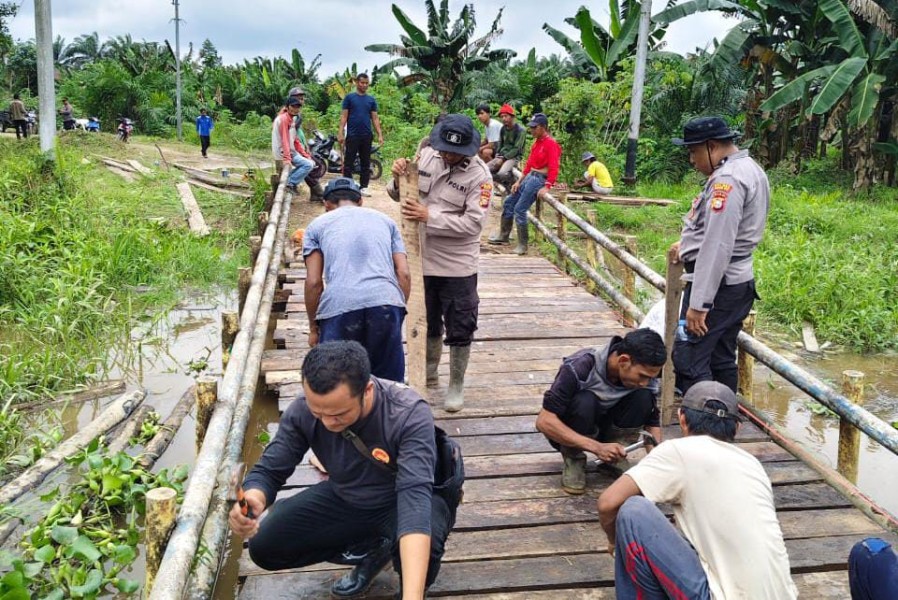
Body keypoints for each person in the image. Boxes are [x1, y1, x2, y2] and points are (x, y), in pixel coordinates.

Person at [230, 341, 456, 599]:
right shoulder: (303, 410)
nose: (327, 422)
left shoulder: (407, 414)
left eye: (339, 414)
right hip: (349, 496)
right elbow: (270, 470)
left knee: (423, 554)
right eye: (318, 412)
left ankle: (396, 553)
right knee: (265, 546)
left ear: (367, 390)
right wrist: (253, 498)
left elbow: (414, 502)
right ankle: (375, 549)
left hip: (403, 499)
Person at [598, 381, 798, 600]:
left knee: (633, 511)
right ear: (737, 428)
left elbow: (609, 503)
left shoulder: (678, 451)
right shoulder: (752, 465)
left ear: (682, 419)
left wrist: (613, 542)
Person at [387, 114, 491, 412]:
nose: (447, 155)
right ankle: (428, 372)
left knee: (460, 322)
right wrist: (397, 177)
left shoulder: (480, 177)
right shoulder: (427, 155)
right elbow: (399, 195)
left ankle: (456, 383)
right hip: (421, 255)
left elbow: (473, 223)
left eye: (454, 152)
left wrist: (429, 216)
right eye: (444, 148)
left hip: (457, 263)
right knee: (427, 316)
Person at [668, 116, 770, 395]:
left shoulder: (727, 179)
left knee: (689, 355)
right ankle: (724, 416)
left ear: (711, 146)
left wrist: (700, 303)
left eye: (693, 152)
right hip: (737, 284)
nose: (692, 160)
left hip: (718, 287)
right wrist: (686, 243)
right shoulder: (750, 169)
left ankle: (704, 424)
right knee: (721, 356)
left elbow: (718, 244)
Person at [303, 177, 410, 381]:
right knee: (388, 383)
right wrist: (397, 311)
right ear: (360, 200)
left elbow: (314, 282)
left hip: (339, 307)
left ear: (326, 204)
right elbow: (403, 273)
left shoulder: (316, 226)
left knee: (336, 381)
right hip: (386, 302)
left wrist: (313, 328)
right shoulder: (387, 221)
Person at [535, 329, 666, 495]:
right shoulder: (578, 369)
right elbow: (544, 421)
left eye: (650, 377)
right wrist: (597, 448)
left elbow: (652, 423)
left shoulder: (646, 379)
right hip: (576, 429)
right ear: (624, 361)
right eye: (642, 376)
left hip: (609, 426)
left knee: (643, 397)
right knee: (585, 401)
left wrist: (659, 464)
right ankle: (573, 458)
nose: (645, 382)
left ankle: (615, 456)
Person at [487, 112, 561, 255]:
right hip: (530, 177)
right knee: (509, 202)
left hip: (538, 179)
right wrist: (519, 181)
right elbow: (528, 164)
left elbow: (554, 166)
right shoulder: (536, 143)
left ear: (543, 127)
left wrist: (547, 186)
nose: (532, 130)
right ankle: (504, 235)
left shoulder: (551, 144)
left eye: (535, 127)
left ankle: (523, 245)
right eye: (531, 127)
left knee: (520, 209)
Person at [339, 73, 383, 197]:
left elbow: (375, 118)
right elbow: (344, 116)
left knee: (365, 162)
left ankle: (364, 187)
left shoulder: (371, 100)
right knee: (349, 162)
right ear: (357, 83)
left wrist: (380, 134)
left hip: (366, 135)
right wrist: (340, 133)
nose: (364, 85)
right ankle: (348, 186)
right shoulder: (349, 98)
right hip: (352, 135)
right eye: (362, 83)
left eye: (366, 83)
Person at [272, 96, 315, 194]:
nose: (296, 109)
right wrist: (287, 158)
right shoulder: (283, 119)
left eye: (298, 107)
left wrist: (305, 154)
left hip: (291, 151)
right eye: (293, 106)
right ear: (287, 107)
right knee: (308, 165)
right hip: (283, 152)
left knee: (311, 163)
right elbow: (285, 140)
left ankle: (288, 182)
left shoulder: (291, 119)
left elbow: (295, 139)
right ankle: (290, 183)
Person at [289, 86, 325, 201]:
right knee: (311, 166)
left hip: (299, 146)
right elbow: (292, 134)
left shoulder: (297, 113)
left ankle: (316, 194)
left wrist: (305, 148)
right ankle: (319, 192)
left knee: (313, 165)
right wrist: (302, 151)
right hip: (293, 148)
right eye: (298, 98)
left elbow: (298, 133)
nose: (301, 101)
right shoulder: (290, 113)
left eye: (302, 98)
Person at [485, 104, 526, 188]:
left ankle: (513, 182)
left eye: (506, 116)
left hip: (514, 157)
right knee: (484, 169)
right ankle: (503, 185)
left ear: (512, 117)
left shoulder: (520, 130)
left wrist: (503, 159)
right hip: (502, 155)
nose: (503, 118)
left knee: (502, 174)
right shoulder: (503, 129)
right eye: (502, 116)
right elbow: (500, 143)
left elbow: (517, 149)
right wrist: (498, 154)